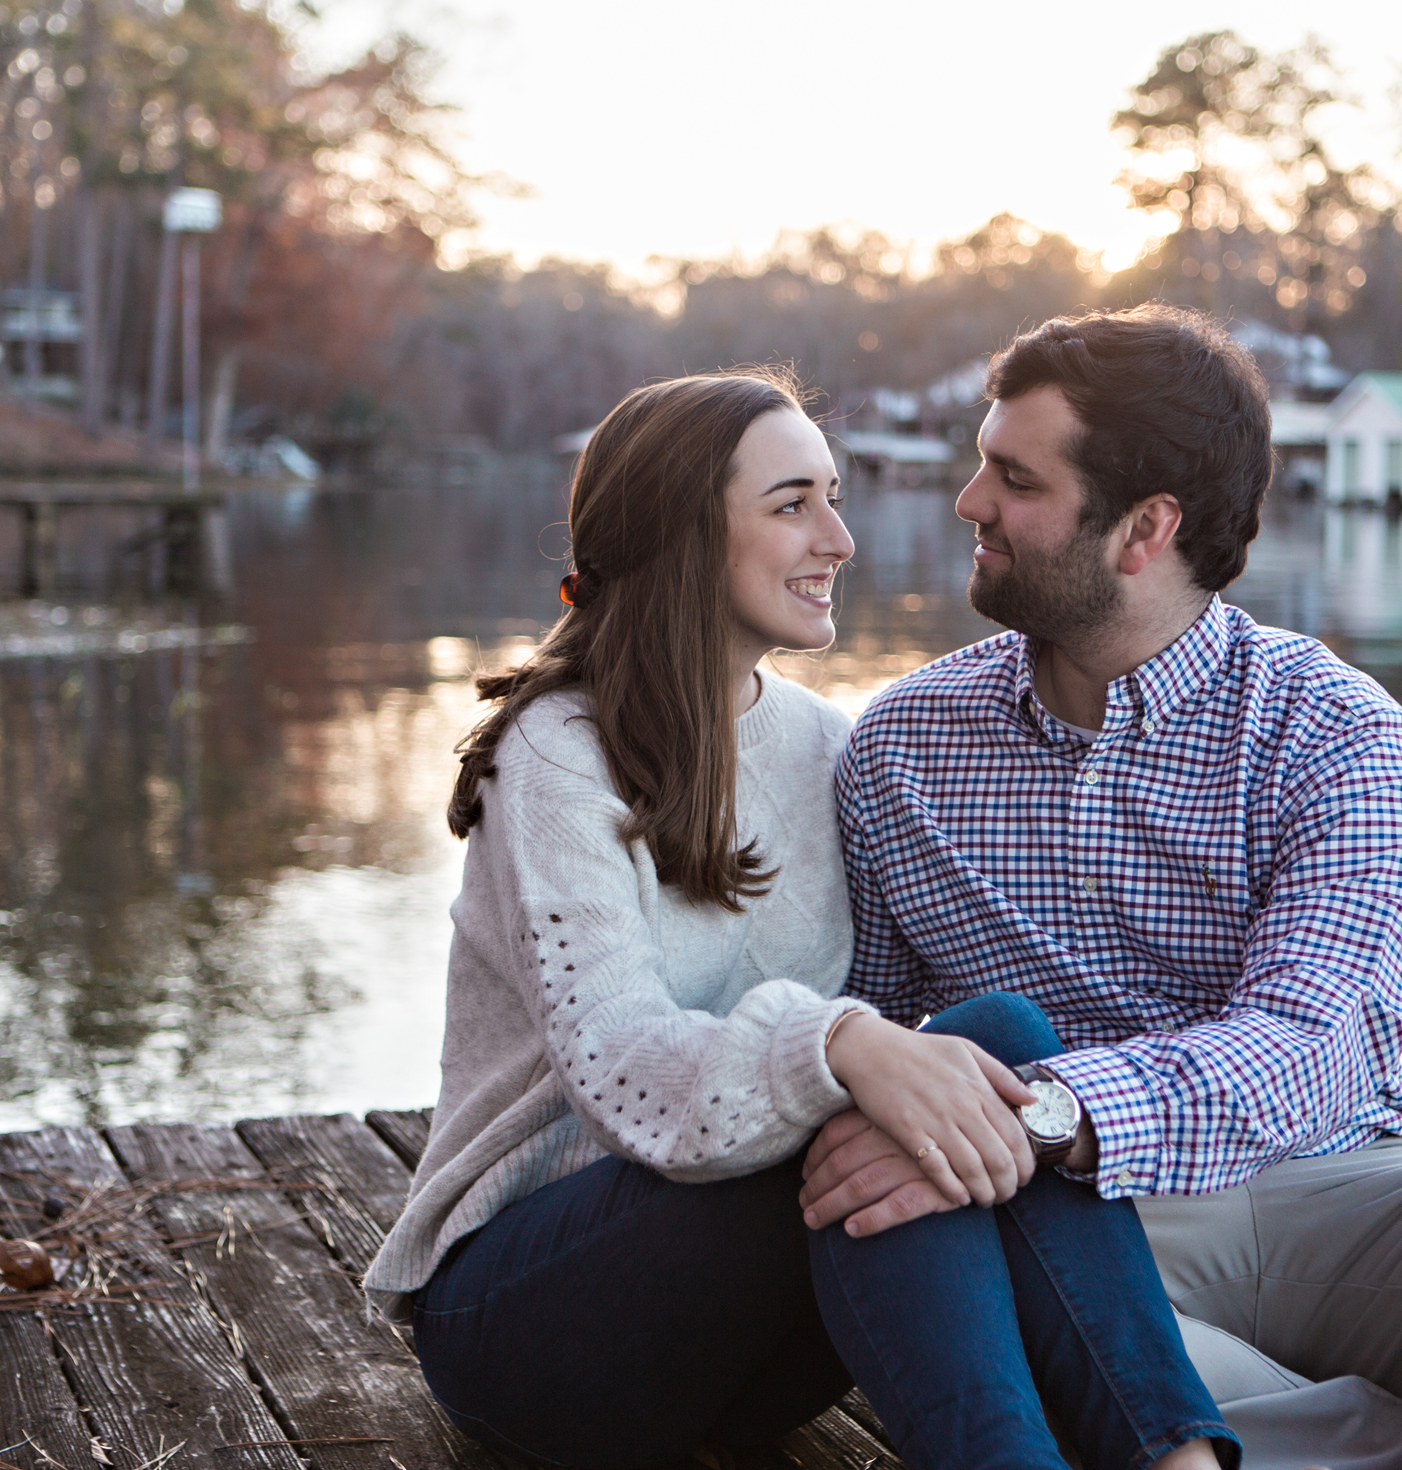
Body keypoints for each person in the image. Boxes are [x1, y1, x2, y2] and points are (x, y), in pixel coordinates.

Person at [806, 306, 1402, 1470]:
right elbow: (860, 1015)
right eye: (983, 461)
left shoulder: (1334, 733)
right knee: (954, 1262)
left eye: (1014, 477)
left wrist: (1046, 1108)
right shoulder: (904, 744)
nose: (968, 500)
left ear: (1145, 528)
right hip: (1072, 1232)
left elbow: (1313, 1041)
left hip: (1334, 1188)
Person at [364, 369, 1242, 1470]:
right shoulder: (557, 754)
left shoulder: (827, 746)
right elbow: (620, 1064)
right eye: (792, 504)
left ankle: (1173, 1460)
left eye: (834, 496)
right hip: (538, 1325)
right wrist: (840, 1042)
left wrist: (908, 1064)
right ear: (684, 534)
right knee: (881, 1090)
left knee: (1005, 1042)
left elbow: (901, 1037)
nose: (841, 537)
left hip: (746, 1346)